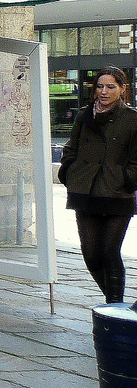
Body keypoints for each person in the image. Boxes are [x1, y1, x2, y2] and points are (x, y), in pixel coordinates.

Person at [59, 67, 137, 303]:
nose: (104, 92)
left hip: (117, 194)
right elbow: (71, 148)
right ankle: (118, 307)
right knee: (91, 255)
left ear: (122, 89)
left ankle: (115, 307)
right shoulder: (85, 115)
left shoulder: (133, 119)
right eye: (100, 87)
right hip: (85, 191)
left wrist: (126, 179)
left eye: (110, 87)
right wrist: (69, 171)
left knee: (109, 252)